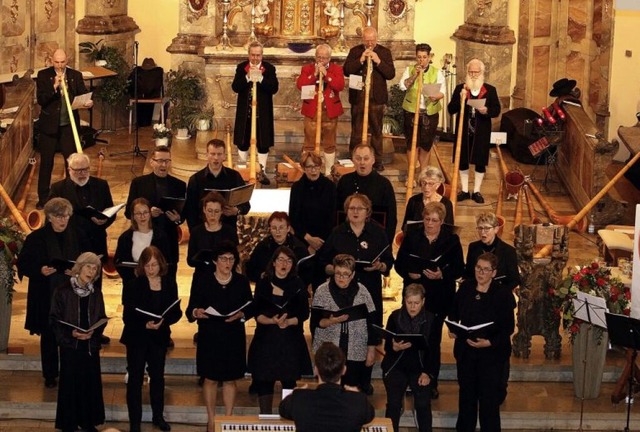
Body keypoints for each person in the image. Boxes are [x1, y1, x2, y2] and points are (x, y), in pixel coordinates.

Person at [17, 197, 89, 388]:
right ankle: (50, 374)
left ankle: (69, 371)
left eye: (66, 216)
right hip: (46, 294)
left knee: (70, 333)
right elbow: (23, 263)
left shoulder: (78, 235)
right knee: (49, 335)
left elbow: (88, 261)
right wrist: (40, 270)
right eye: (58, 216)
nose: (63, 220)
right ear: (49, 217)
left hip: (71, 293)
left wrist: (76, 270)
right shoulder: (36, 238)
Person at [394, 201, 464, 399]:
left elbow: (459, 268)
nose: (430, 224)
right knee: (411, 336)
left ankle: (431, 381)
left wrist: (442, 273)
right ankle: (411, 379)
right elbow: (399, 264)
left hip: (439, 295)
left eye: (434, 220)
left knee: (432, 340)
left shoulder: (451, 240)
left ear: (442, 221)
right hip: (414, 295)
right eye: (427, 219)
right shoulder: (412, 237)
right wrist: (409, 272)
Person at [186, 242, 253, 432]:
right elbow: (191, 308)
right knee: (211, 378)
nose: (228, 263)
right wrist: (196, 312)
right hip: (210, 334)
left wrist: (241, 314)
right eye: (223, 259)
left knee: (231, 379)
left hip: (233, 335)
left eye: (231, 259)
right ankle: (211, 419)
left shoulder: (240, 281)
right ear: (215, 261)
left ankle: (229, 418)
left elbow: (249, 306)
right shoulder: (203, 280)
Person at [448, 252, 516, 432]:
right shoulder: (466, 287)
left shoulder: (502, 294)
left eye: (486, 270)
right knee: (467, 399)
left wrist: (490, 342)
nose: (481, 273)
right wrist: (453, 328)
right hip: (467, 352)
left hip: (491, 355)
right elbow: (453, 312)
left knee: (489, 404)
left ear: (494, 273)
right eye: (478, 268)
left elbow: (508, 327)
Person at [121, 246, 182, 432]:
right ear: (142, 266)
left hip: (159, 337)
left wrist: (164, 320)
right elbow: (128, 315)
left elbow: (176, 312)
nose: (151, 269)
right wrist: (144, 324)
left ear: (161, 264)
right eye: (147, 265)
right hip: (137, 337)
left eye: (154, 265)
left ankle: (158, 416)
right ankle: (135, 423)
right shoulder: (133, 284)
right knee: (135, 380)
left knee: (158, 378)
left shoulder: (169, 283)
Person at [247, 246, 312, 414]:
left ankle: (287, 415)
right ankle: (265, 417)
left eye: (289, 261)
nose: (285, 264)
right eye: (281, 260)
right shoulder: (264, 283)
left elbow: (304, 313)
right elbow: (257, 312)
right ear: (274, 262)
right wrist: (272, 320)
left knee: (289, 381)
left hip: (290, 340)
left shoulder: (298, 283)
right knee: (264, 380)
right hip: (266, 338)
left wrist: (289, 321)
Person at [464, 212, 520, 403]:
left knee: (499, 343)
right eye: (480, 228)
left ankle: (500, 387)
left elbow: (515, 278)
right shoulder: (473, 248)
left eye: (487, 228)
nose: (483, 232)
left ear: (496, 229)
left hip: (500, 303)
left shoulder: (508, 251)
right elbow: (468, 274)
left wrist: (495, 287)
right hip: (477, 302)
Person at [49, 252, 106, 432]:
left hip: (89, 346)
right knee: (70, 385)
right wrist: (70, 334)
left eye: (95, 268)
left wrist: (93, 333)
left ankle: (88, 422)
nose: (91, 271)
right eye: (88, 266)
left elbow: (101, 317)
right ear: (79, 267)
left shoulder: (96, 293)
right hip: (70, 346)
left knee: (89, 384)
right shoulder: (63, 291)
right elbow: (54, 319)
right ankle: (69, 423)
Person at [35, 48, 93, 209]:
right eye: (56, 62)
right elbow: (41, 100)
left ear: (67, 61)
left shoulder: (75, 75)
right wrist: (54, 87)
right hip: (49, 126)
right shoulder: (43, 75)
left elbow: (83, 94)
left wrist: (87, 102)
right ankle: (43, 199)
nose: (59, 66)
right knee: (46, 163)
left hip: (68, 125)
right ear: (51, 61)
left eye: (62, 62)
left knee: (71, 162)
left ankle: (72, 195)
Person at [311, 254, 378, 393]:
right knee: (329, 392)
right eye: (338, 273)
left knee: (352, 391)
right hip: (329, 351)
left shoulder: (362, 291)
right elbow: (315, 323)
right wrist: (331, 321)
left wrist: (371, 349)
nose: (341, 278)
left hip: (356, 349)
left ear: (353, 274)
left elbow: (372, 323)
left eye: (346, 274)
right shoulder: (322, 291)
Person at [279, 341, 375, 432]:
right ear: (344, 370)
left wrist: (294, 393)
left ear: (316, 370)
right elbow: (369, 415)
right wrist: (356, 394)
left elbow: (283, 410)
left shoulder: (299, 398)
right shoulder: (358, 401)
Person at [382, 283, 436, 432]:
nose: (412, 307)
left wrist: (427, 373)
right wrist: (394, 347)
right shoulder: (394, 317)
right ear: (404, 300)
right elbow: (387, 346)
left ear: (423, 302)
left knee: (423, 404)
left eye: (416, 303)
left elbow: (433, 350)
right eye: (409, 302)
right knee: (393, 404)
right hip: (396, 366)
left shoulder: (431, 319)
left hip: (420, 368)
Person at [447, 58, 501, 204]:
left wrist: (486, 110)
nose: (473, 75)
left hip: (481, 130)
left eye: (476, 72)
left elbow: (496, 110)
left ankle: (476, 191)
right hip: (463, 130)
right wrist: (459, 99)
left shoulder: (490, 90)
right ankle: (464, 191)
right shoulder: (461, 88)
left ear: (482, 72)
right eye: (470, 71)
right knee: (462, 159)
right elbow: (450, 109)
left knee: (480, 160)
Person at [125, 146, 186, 273]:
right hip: (145, 238)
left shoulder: (179, 185)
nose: (163, 164)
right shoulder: (139, 183)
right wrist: (147, 213)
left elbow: (183, 214)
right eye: (160, 161)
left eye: (167, 161)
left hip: (168, 239)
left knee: (169, 278)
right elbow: (127, 212)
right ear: (152, 162)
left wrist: (177, 219)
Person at [343, 26, 396, 171]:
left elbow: (391, 74)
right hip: (358, 97)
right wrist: (360, 60)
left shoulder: (384, 52)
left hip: (376, 98)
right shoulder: (355, 51)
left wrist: (378, 61)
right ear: (362, 40)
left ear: (377, 39)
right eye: (367, 41)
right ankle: (354, 157)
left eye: (372, 40)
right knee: (356, 130)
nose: (369, 43)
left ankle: (377, 160)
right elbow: (346, 70)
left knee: (376, 131)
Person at [49, 152, 115, 262]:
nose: (82, 173)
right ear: (69, 169)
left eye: (85, 169)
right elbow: (50, 217)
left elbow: (110, 211)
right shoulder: (58, 189)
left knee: (95, 278)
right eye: (78, 170)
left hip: (96, 242)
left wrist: (104, 221)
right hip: (70, 244)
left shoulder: (101, 185)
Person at [232, 41, 279, 182]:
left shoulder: (269, 68)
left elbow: (274, 88)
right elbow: (235, 87)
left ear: (262, 55)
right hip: (245, 112)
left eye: (258, 55)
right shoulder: (241, 68)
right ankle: (242, 170)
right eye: (252, 55)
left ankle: (261, 172)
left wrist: (261, 78)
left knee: (263, 143)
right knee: (243, 141)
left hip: (262, 113)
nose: (255, 58)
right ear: (248, 55)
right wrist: (247, 77)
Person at [296, 44, 345, 175]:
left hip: (329, 111)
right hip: (311, 111)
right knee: (309, 142)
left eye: (324, 58)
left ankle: (329, 172)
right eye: (319, 57)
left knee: (329, 142)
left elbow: (340, 85)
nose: (321, 60)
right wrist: (314, 74)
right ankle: (308, 169)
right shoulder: (307, 69)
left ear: (329, 58)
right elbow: (300, 85)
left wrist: (327, 75)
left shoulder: (336, 69)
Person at [115, 198, 172, 305]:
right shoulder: (125, 238)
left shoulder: (161, 236)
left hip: (155, 287)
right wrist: (135, 276)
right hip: (133, 287)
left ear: (150, 213)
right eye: (138, 213)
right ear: (133, 216)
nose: (142, 216)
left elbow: (167, 262)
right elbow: (118, 263)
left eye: (145, 212)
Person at [184, 139, 250, 232]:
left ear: (224, 156)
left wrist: (236, 210)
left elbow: (246, 205)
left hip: (228, 231)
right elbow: (190, 211)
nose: (216, 158)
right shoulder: (196, 179)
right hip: (203, 232)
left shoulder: (234, 176)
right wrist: (195, 233)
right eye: (212, 154)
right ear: (207, 155)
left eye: (219, 154)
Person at [335, 144, 397, 243]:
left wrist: (386, 245)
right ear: (353, 160)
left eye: (366, 158)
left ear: (373, 160)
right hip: (347, 237)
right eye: (358, 158)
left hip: (374, 239)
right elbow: (337, 211)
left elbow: (391, 218)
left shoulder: (383, 184)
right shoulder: (345, 181)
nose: (362, 162)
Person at [398, 43, 445, 173]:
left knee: (425, 145)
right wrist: (415, 75)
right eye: (419, 57)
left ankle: (424, 174)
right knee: (412, 145)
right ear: (416, 57)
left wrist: (435, 96)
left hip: (429, 113)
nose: (421, 60)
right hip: (411, 112)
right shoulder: (410, 70)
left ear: (429, 57)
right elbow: (403, 86)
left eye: (424, 57)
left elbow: (443, 92)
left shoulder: (437, 72)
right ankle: (411, 174)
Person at [288, 152, 337, 255]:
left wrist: (318, 242)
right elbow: (294, 217)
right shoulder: (297, 188)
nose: (313, 170)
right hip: (302, 240)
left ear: (320, 166)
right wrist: (308, 239)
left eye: (316, 166)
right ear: (303, 168)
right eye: (309, 167)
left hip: (325, 240)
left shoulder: (330, 187)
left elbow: (332, 216)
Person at [245, 211, 308, 284]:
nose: (278, 231)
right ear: (270, 229)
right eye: (274, 228)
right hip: (267, 288)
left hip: (292, 289)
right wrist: (261, 275)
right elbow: (250, 270)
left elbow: (307, 273)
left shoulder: (299, 247)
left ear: (288, 228)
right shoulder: (262, 247)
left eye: (281, 228)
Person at [186, 191, 239, 269]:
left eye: (216, 211)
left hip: (224, 275)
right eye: (210, 211)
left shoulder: (229, 231)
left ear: (222, 211)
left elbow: (236, 258)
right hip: (202, 275)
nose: (213, 215)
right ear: (204, 210)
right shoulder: (196, 231)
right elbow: (190, 261)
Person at [401, 166, 454, 232]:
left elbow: (449, 229)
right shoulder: (413, 201)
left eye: (430, 184)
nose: (426, 187)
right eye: (424, 183)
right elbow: (405, 226)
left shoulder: (446, 203)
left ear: (437, 185)